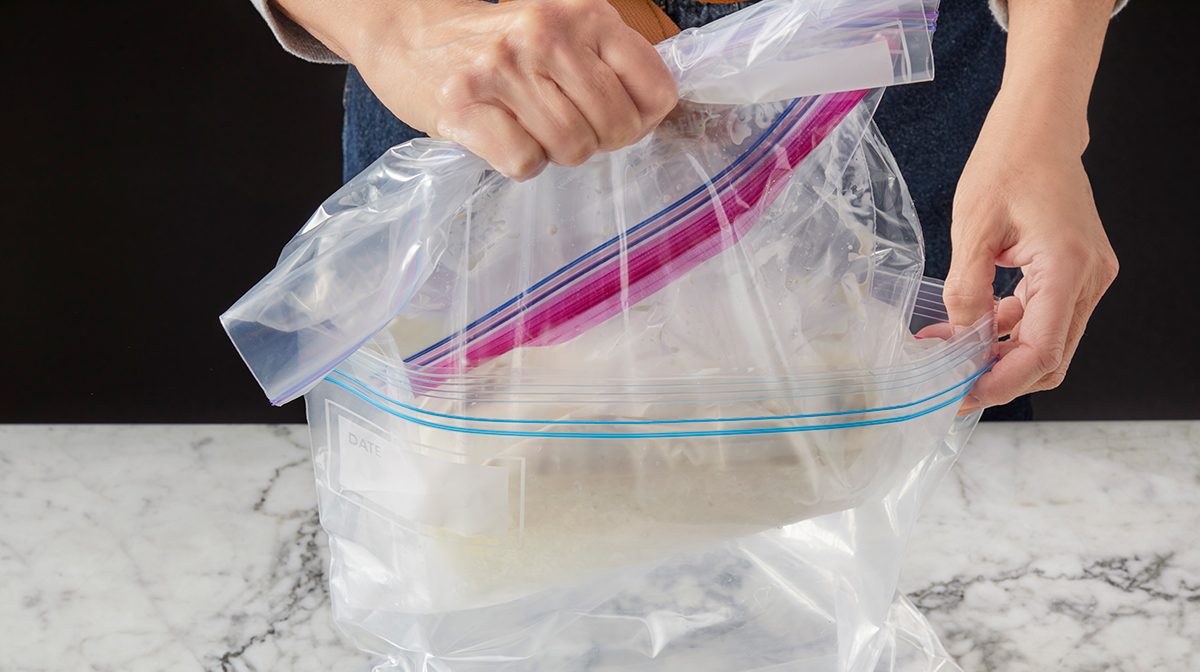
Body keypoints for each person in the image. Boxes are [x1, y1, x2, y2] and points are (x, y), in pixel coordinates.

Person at [250, 0, 1123, 421]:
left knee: (901, 612)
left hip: (884, 85)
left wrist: (1047, 110)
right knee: (490, 588)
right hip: (500, 70)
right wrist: (398, 25)